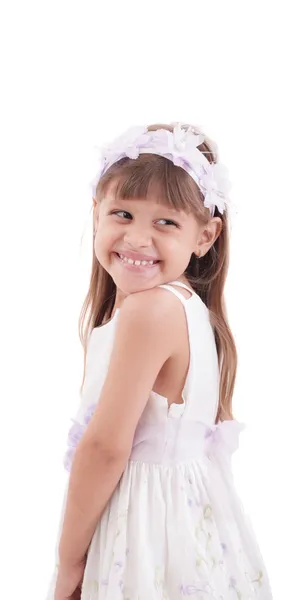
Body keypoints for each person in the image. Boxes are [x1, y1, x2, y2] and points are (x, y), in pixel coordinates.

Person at [46, 122, 273, 599]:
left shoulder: (149, 311)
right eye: (122, 214)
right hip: (190, 528)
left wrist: (68, 564)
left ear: (205, 236)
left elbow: (104, 449)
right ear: (96, 215)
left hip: (147, 535)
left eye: (165, 222)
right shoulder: (185, 304)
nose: (136, 238)